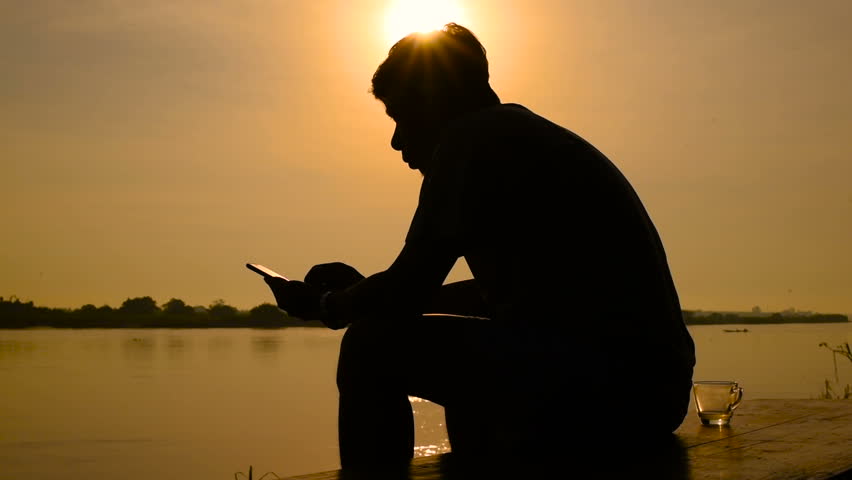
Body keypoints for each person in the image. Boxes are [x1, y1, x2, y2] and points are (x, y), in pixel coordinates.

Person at [264, 23, 696, 472]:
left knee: (370, 347)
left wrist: (330, 305)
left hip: (612, 390)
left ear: (432, 101)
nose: (396, 141)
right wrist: (370, 293)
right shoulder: (525, 137)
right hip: (654, 392)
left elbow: (409, 286)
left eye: (399, 116)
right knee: (463, 353)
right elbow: (510, 294)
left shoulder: (469, 142)